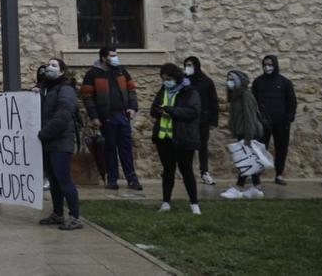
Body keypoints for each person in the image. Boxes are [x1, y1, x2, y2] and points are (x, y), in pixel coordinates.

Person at [80, 47, 142, 191]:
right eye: (112, 56)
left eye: (116, 55)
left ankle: (132, 179)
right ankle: (112, 179)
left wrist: (132, 107)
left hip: (123, 115)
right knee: (109, 149)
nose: (115, 58)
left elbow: (131, 90)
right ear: (103, 58)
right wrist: (94, 116)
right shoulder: (92, 74)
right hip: (106, 117)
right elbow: (87, 97)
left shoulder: (121, 71)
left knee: (126, 148)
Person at [150, 63, 202, 215]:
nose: (166, 81)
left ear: (176, 77)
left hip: (183, 138)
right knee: (168, 171)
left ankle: (194, 203)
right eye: (164, 79)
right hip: (164, 138)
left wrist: (171, 110)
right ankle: (166, 202)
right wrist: (159, 111)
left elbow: (193, 111)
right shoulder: (163, 90)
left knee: (187, 171)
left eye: (169, 79)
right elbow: (154, 109)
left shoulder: (189, 92)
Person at [37, 58, 82, 230]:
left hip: (60, 142)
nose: (49, 67)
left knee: (64, 180)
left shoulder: (66, 89)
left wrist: (45, 133)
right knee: (54, 181)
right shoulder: (46, 89)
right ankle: (57, 213)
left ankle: (75, 217)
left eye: (54, 65)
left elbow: (63, 115)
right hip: (48, 142)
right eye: (48, 64)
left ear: (62, 71)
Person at [219, 70, 266, 200]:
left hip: (248, 133)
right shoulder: (236, 96)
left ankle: (239, 187)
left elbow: (250, 116)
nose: (229, 82)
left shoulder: (246, 95)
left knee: (245, 162)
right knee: (250, 161)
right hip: (243, 132)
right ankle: (257, 188)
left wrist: (248, 136)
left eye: (232, 79)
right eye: (228, 79)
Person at [251, 54, 297, 185]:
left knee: (281, 148)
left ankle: (279, 174)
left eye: (270, 64)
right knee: (260, 149)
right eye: (265, 64)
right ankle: (256, 175)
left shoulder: (285, 82)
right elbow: (253, 101)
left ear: (275, 65)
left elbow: (292, 101)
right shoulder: (258, 82)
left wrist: (289, 117)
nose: (267, 67)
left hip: (281, 123)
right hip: (262, 122)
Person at [183, 55, 219, 185]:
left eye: (190, 65)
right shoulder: (184, 81)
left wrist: (213, 121)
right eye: (186, 65)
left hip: (203, 120)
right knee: (187, 146)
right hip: (188, 119)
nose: (188, 68)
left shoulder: (206, 81)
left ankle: (204, 172)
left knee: (202, 146)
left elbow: (213, 101)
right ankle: (187, 172)